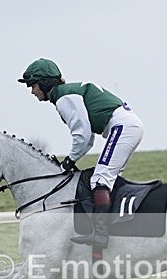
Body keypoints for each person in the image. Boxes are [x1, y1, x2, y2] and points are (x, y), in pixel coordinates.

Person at [18, 58, 143, 249]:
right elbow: (88, 139)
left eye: (32, 86)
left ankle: (101, 235)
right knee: (107, 179)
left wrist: (68, 161)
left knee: (100, 179)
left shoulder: (64, 98)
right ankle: (117, 226)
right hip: (125, 126)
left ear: (44, 82)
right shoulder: (66, 94)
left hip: (122, 127)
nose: (32, 92)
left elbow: (83, 137)